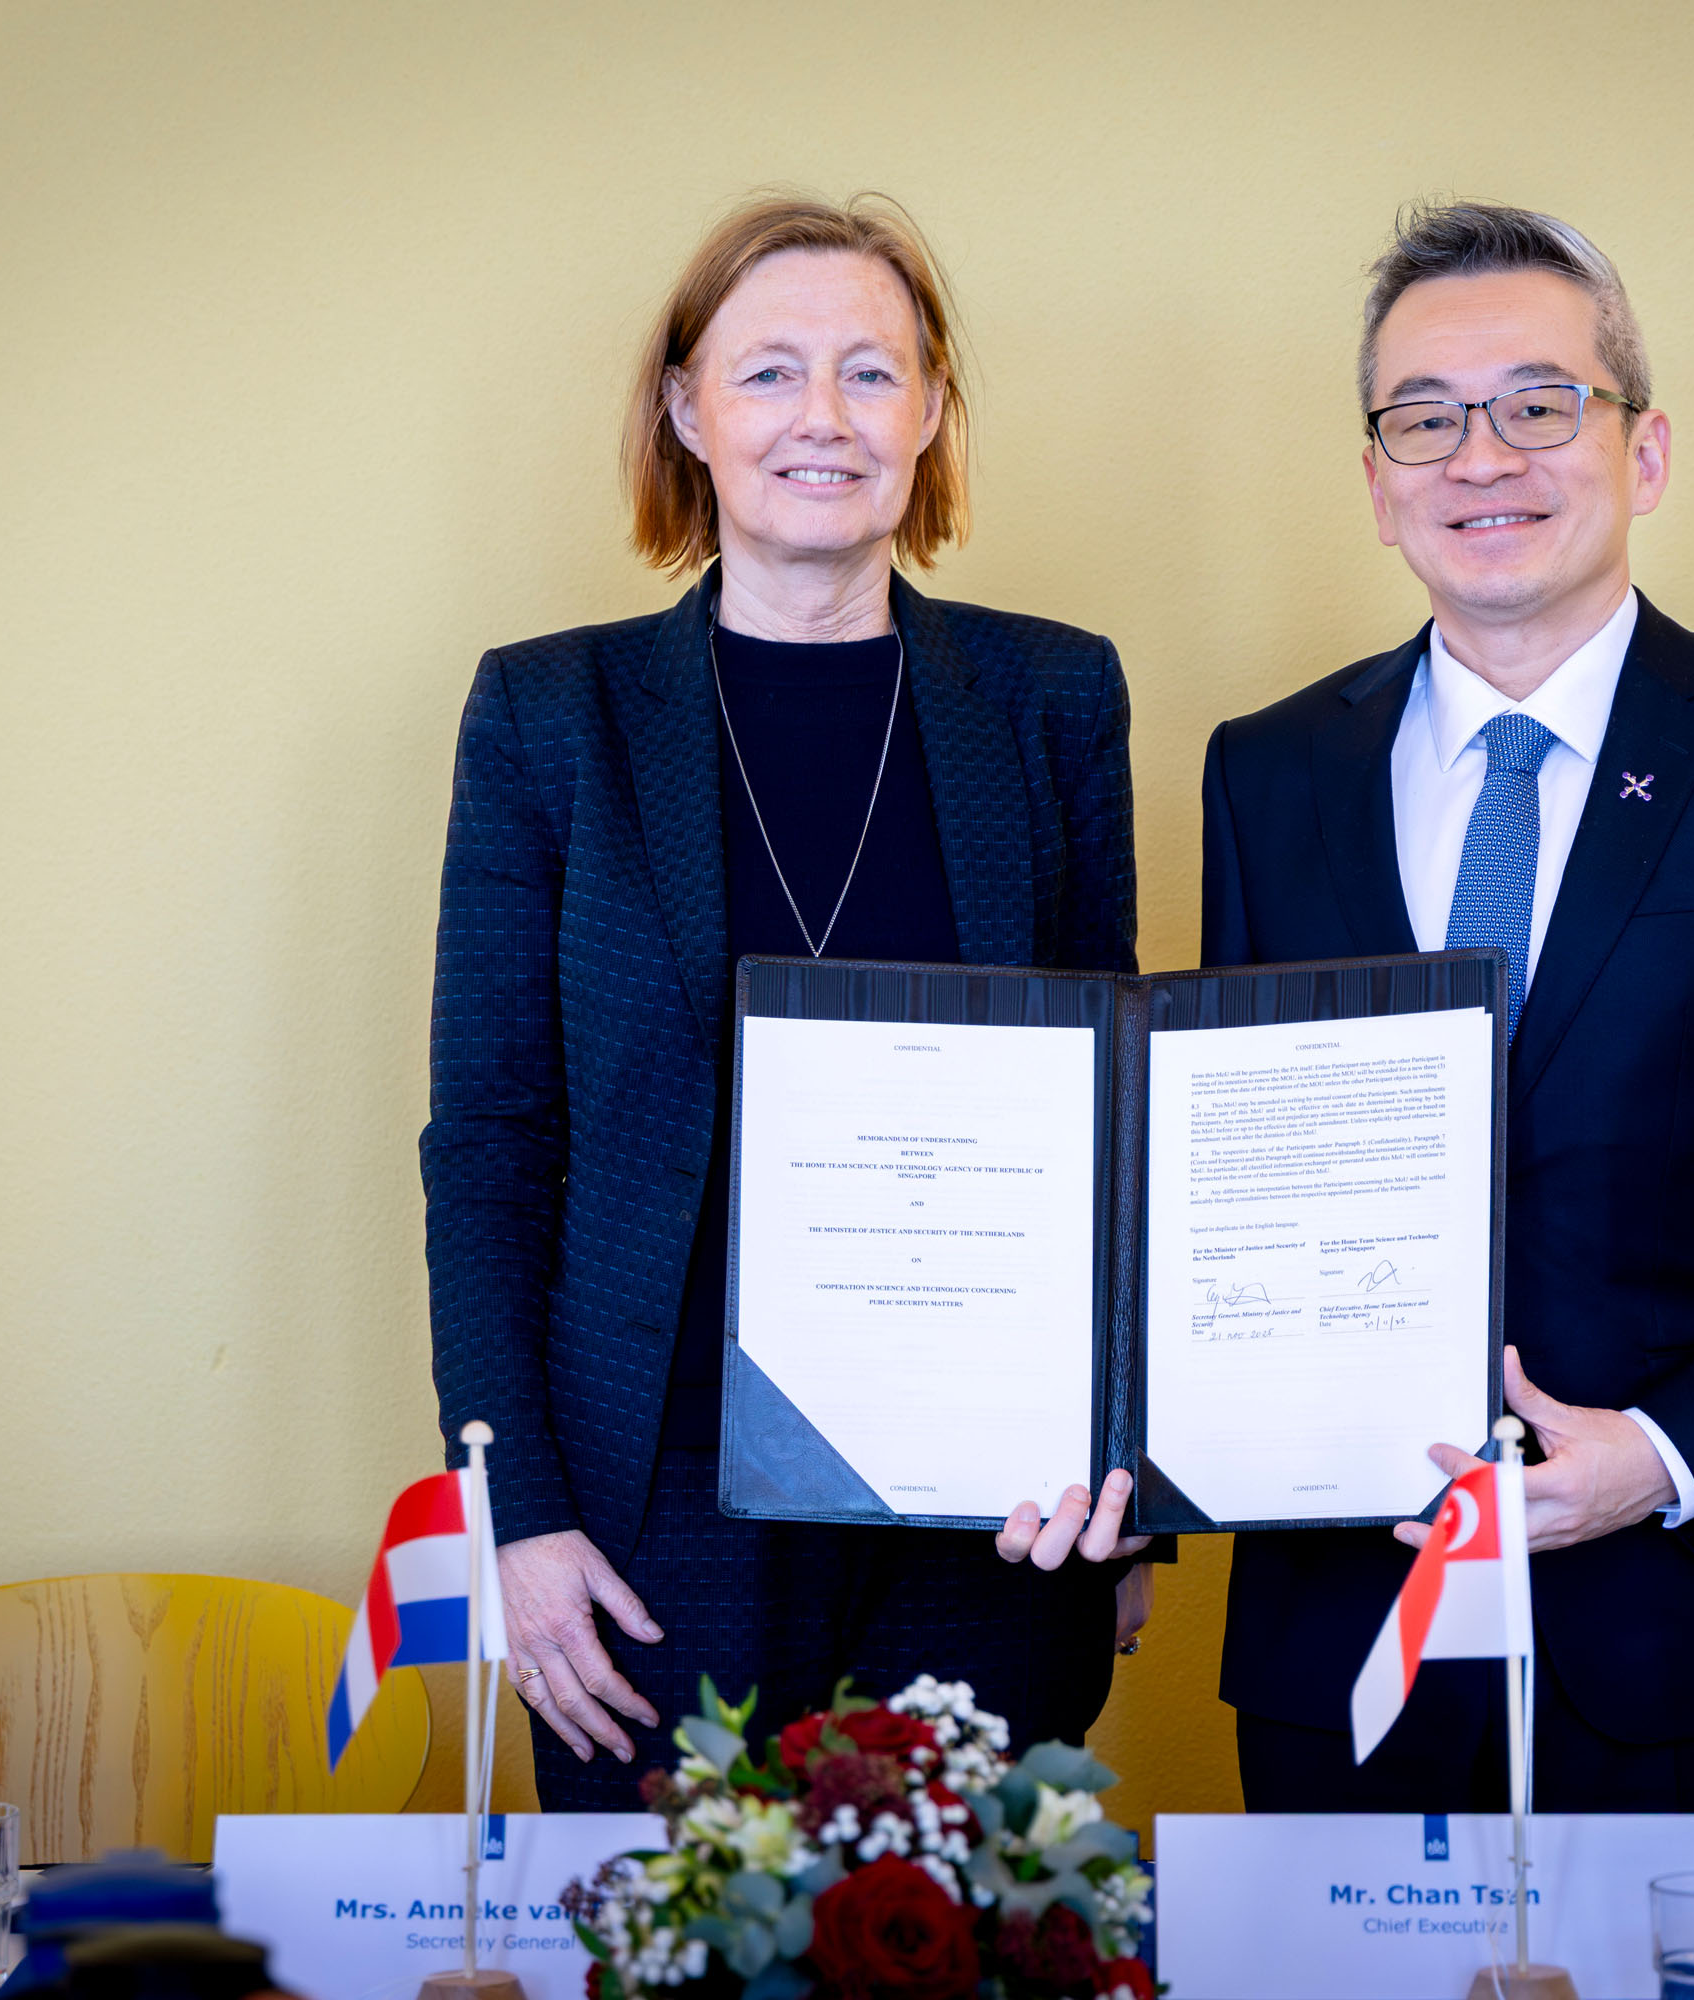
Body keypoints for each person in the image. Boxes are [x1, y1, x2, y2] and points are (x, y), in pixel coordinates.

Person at [1200, 201, 1694, 1846]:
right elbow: (1226, 1182)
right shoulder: (1266, 773)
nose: (1482, 457)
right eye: (1426, 417)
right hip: (1338, 1639)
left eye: (1539, 404)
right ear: (1374, 477)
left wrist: (1668, 1453)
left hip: (1678, 1637)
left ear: (1645, 449)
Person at [421, 193, 1153, 1805]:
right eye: (767, 374)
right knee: (677, 1954)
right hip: (650, 1506)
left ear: (933, 410)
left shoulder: (1049, 695)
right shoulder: (554, 713)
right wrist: (518, 1517)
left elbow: (1122, 1126)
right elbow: (487, 1142)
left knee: (963, 1953)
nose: (821, 418)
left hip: (995, 1511)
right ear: (685, 407)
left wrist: (1130, 1481)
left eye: (870, 373)